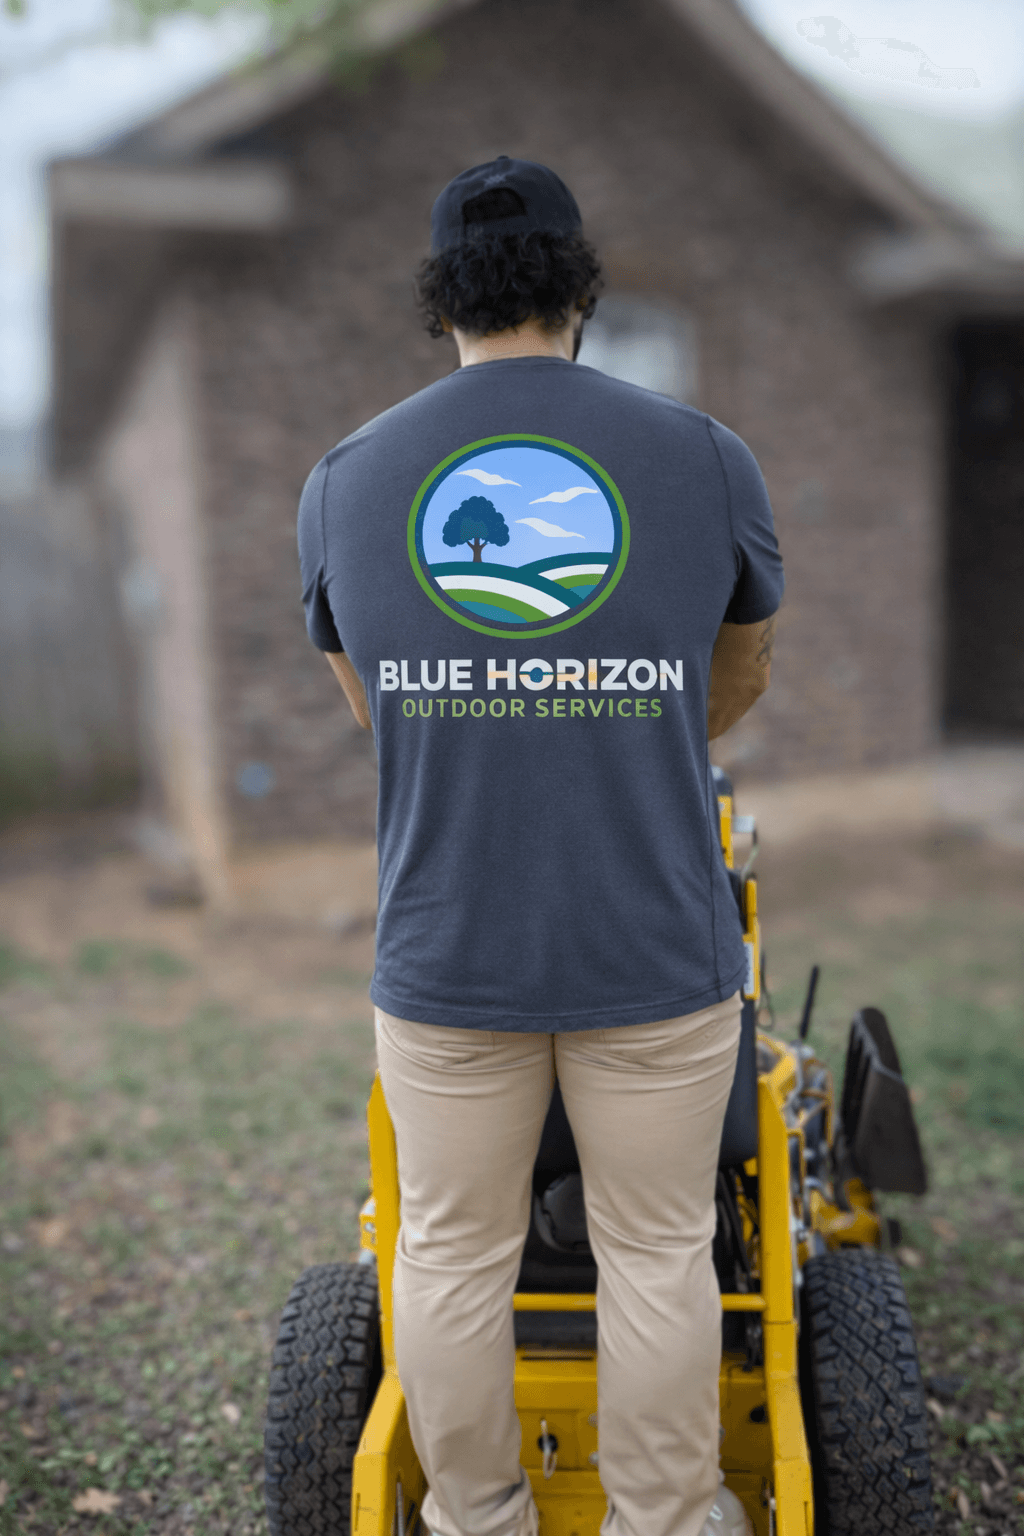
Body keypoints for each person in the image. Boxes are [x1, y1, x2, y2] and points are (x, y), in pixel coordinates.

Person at [298, 156, 783, 1536]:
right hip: (653, 946)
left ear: (438, 298)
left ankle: (475, 1521)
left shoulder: (346, 481)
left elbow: (375, 708)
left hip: (448, 949)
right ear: (581, 287)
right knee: (658, 1247)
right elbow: (729, 688)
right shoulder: (703, 457)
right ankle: (669, 1522)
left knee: (447, 1252)